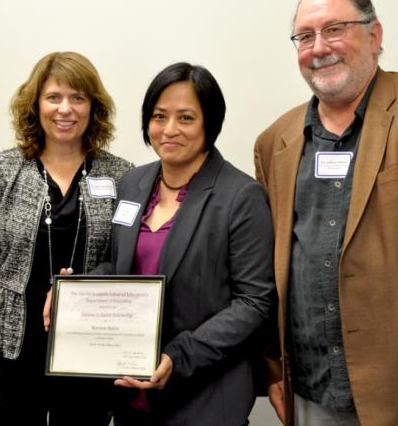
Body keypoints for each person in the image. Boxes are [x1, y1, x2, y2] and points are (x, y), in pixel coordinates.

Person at [254, 0, 398, 426]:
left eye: (334, 29)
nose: (318, 48)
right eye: (305, 37)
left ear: (374, 35)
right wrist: (271, 369)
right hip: (309, 390)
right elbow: (268, 271)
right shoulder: (274, 143)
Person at [94, 62, 276, 426]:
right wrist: (75, 289)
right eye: (159, 117)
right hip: (131, 394)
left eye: (186, 118)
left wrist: (179, 355)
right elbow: (118, 267)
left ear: (211, 123)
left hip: (205, 396)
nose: (170, 129)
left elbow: (254, 302)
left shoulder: (241, 196)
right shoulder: (133, 183)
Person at [0, 51, 132, 426]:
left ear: (94, 108)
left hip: (90, 355)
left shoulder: (123, 175)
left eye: (78, 98)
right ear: (35, 104)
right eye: (54, 97)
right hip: (10, 352)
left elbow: (128, 265)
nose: (66, 109)